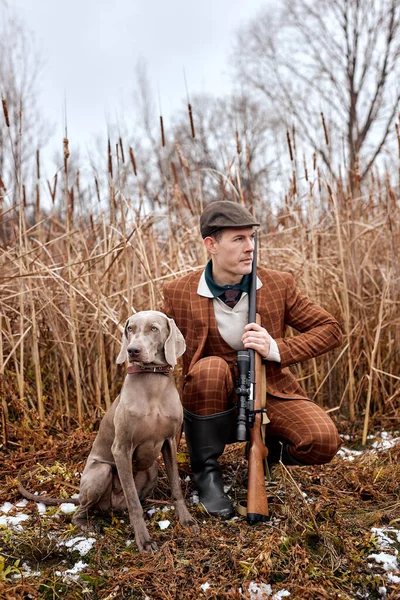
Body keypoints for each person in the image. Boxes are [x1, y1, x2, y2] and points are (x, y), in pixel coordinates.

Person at [162, 201, 343, 519]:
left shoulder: (278, 284)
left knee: (323, 440)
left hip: (266, 389)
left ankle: (264, 454)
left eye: (252, 238)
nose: (250, 248)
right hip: (211, 398)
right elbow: (156, 343)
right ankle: (207, 474)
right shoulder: (178, 292)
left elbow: (330, 330)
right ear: (211, 245)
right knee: (210, 368)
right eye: (239, 239)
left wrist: (276, 348)